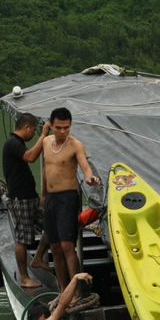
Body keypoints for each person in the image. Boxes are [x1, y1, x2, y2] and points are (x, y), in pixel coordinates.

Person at [41, 107, 100, 290]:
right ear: (51, 126)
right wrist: (43, 195)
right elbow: (45, 170)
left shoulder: (76, 145)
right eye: (59, 128)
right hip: (50, 198)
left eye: (66, 128)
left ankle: (75, 291)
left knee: (67, 245)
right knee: (55, 247)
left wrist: (90, 178)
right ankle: (63, 288)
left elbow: (85, 165)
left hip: (67, 198)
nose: (63, 132)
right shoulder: (46, 142)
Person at [2, 112, 51, 288]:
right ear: (27, 127)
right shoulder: (13, 143)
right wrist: (44, 136)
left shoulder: (18, 143)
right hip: (20, 198)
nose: (34, 135)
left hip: (30, 197)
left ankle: (38, 258)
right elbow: (31, 157)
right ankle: (24, 277)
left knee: (51, 225)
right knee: (22, 238)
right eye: (34, 131)